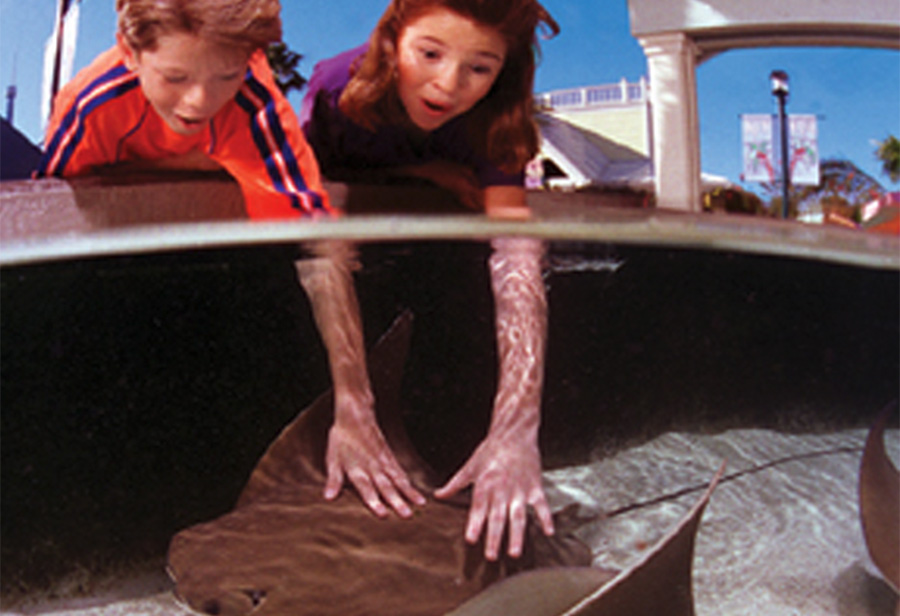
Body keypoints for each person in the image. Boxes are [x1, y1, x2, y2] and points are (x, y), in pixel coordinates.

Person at [31, 0, 414, 552]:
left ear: (253, 59)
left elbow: (321, 249)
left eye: (227, 76)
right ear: (132, 52)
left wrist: (354, 401)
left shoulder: (259, 108)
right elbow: (51, 224)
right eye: (175, 76)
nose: (200, 102)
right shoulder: (89, 104)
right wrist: (193, 169)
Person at [300, 0, 559, 561]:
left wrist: (517, 426)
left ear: (504, 71)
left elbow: (515, 254)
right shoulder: (333, 87)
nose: (449, 84)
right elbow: (316, 234)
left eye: (480, 67)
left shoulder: (497, 118)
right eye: (430, 53)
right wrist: (352, 401)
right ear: (392, 41)